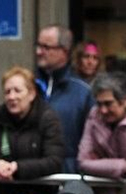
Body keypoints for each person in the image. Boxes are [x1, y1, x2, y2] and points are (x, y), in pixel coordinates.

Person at [0, 66, 66, 186]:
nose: (12, 97)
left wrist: (18, 168)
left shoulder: (47, 119)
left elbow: (54, 161)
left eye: (17, 91)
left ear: (31, 94)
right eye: (7, 92)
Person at [35, 24, 92, 173]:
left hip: (67, 176)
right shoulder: (28, 86)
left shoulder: (83, 92)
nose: (39, 52)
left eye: (46, 47)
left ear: (64, 51)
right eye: (38, 45)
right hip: (31, 175)